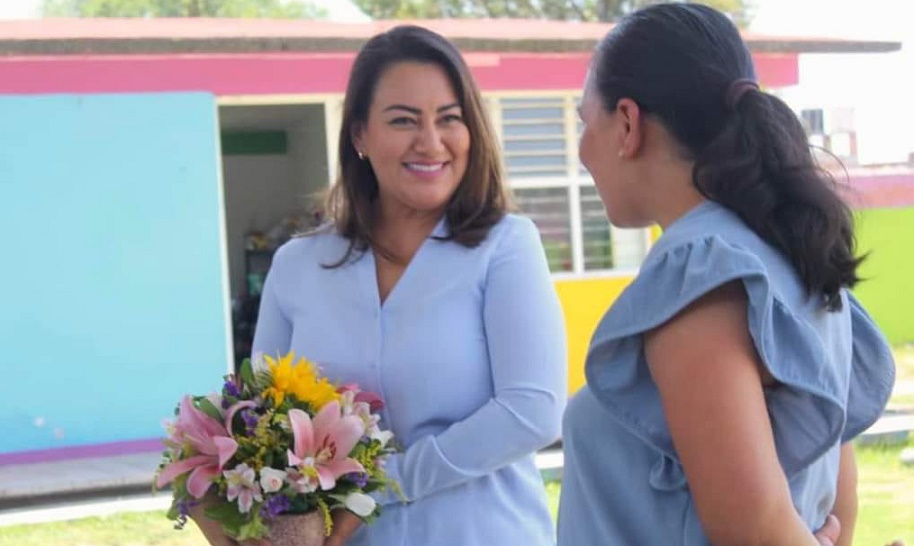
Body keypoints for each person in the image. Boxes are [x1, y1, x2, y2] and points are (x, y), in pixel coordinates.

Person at [557, 4, 898, 546]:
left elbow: (753, 531)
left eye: (584, 122)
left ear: (627, 123)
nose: (581, 152)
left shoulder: (699, 272)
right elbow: (836, 504)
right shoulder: (785, 251)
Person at [236, 24, 566, 546]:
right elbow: (258, 426)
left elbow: (532, 412)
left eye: (449, 119)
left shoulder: (507, 246)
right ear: (360, 135)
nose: (431, 142)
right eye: (403, 120)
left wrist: (380, 488)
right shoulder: (297, 266)